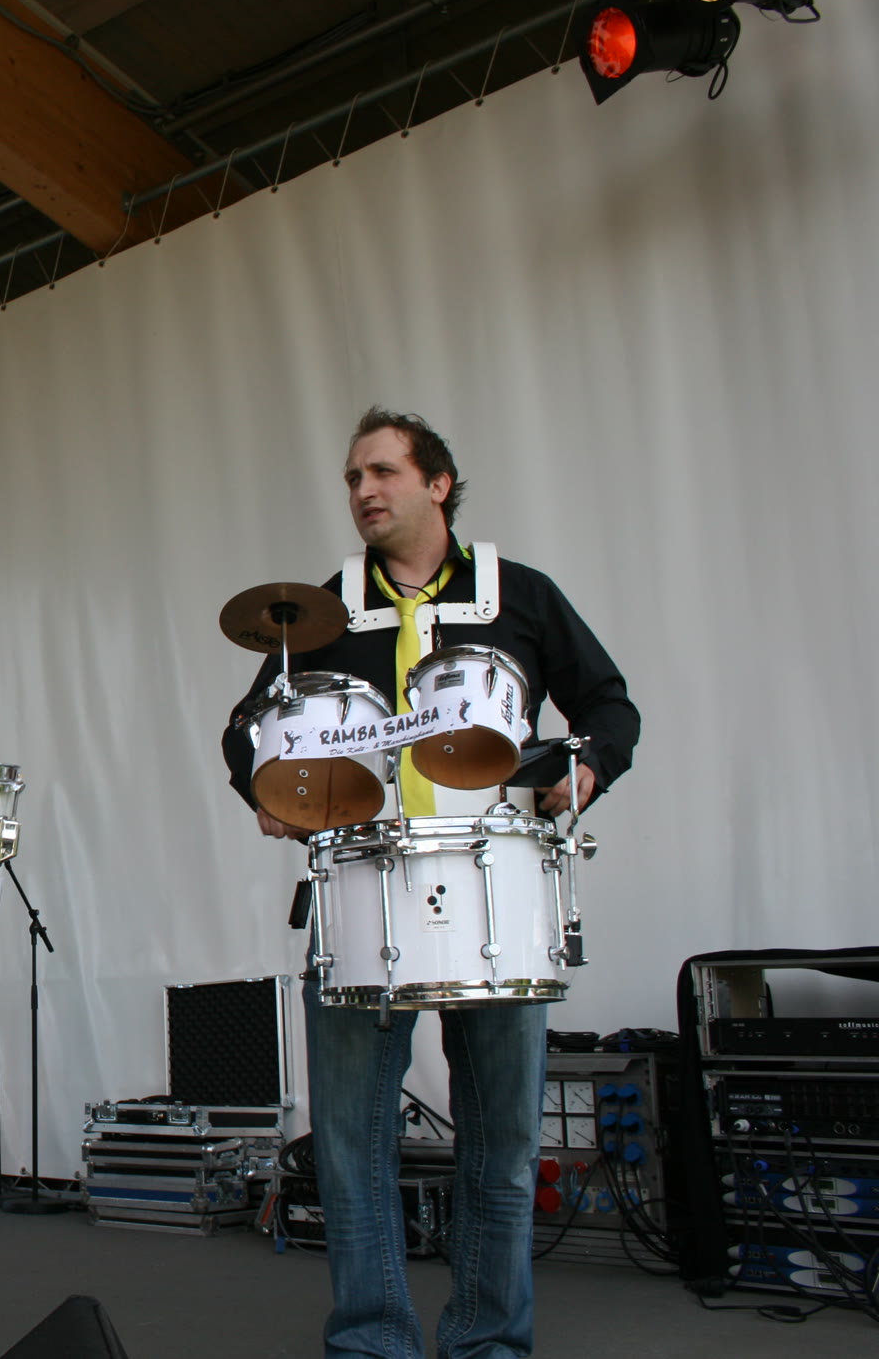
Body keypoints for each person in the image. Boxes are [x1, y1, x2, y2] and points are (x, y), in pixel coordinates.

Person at [221, 408, 640, 1359]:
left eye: (382, 471)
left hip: (499, 884)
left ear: (437, 483)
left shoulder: (518, 594)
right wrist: (267, 789)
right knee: (350, 1146)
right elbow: (247, 727)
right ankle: (373, 1340)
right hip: (362, 886)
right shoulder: (322, 609)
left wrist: (587, 768)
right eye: (352, 478)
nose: (363, 491)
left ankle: (487, 1342)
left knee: (503, 1147)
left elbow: (609, 702)